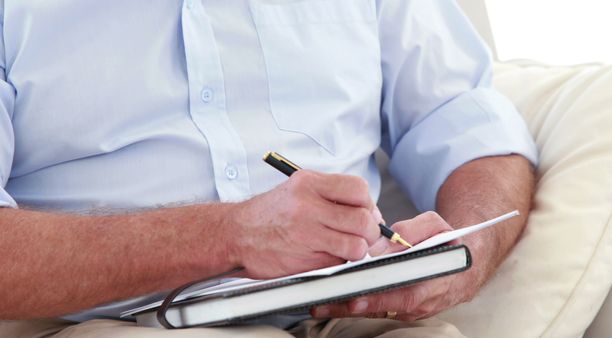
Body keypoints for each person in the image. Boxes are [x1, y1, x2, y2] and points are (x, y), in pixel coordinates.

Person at [0, 0, 537, 337]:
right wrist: (230, 236)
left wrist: (462, 261)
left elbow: (467, 124)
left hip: (342, 311)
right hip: (106, 319)